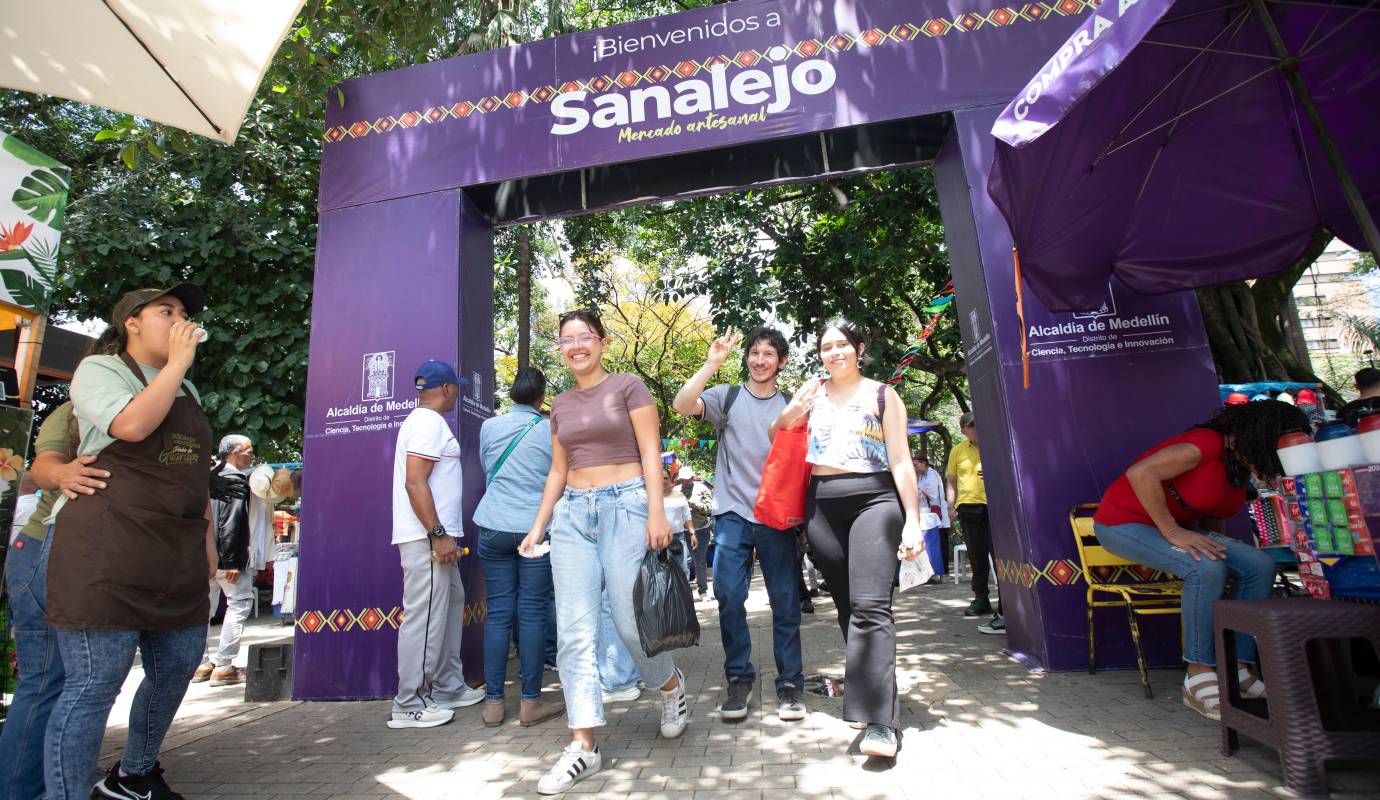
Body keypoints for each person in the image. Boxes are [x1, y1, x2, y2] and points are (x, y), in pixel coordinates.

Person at [44, 284, 215, 800]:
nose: (180, 320)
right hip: (107, 546)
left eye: (184, 313)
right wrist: (178, 364)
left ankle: (132, 776)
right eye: (167, 311)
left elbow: (191, 474)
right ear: (132, 323)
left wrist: (206, 540)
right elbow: (132, 425)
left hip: (173, 550)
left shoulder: (186, 390)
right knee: (95, 685)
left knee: (179, 666)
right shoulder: (101, 370)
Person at [522, 310, 690, 795]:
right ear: (559, 348)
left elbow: (650, 452)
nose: (576, 346)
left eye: (585, 337)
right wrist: (539, 526)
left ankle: (671, 687)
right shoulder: (560, 405)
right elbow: (558, 470)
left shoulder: (628, 386)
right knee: (573, 633)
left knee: (628, 623)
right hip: (573, 516)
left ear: (602, 342)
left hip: (627, 506)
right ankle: (584, 748)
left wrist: (657, 513)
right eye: (566, 339)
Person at [770, 319, 924, 758]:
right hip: (821, 505)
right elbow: (775, 439)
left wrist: (913, 519)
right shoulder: (810, 394)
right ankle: (869, 692)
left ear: (859, 348)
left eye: (842, 345)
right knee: (847, 607)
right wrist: (791, 411)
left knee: (871, 606)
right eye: (826, 346)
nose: (834, 352)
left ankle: (881, 723)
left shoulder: (882, 394)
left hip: (875, 500)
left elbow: (900, 460)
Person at [1094, 401, 1304, 720]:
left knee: (1259, 565)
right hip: (1122, 523)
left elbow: (1210, 516)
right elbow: (1141, 473)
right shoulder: (1205, 443)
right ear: (1260, 437)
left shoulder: (1239, 467)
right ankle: (1198, 672)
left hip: (1168, 528)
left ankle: (1237, 667)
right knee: (1204, 568)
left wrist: (1220, 550)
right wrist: (1174, 532)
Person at [672, 325, 806, 723]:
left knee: (785, 602)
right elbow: (682, 404)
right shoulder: (725, 396)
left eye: (769, 354)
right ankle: (738, 678)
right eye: (754, 353)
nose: (760, 360)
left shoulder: (791, 405)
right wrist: (712, 364)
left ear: (781, 362)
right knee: (729, 597)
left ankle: (791, 684)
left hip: (776, 516)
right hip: (731, 513)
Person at [0, 401, 109, 800]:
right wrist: (63, 473)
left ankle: (49, 781)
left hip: (69, 553)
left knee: (72, 681)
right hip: (45, 547)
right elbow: (42, 468)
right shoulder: (80, 405)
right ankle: (17, 790)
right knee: (47, 678)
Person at [388, 359, 486, 729]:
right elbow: (416, 482)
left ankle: (447, 685)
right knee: (425, 616)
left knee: (448, 607)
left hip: (434, 537)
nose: (457, 394)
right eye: (456, 388)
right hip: (427, 538)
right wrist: (438, 534)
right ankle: (409, 702)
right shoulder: (429, 423)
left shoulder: (425, 422)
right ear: (446, 390)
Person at [473, 366, 564, 728]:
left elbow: (487, 468)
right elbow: (558, 476)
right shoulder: (550, 430)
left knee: (498, 614)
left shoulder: (489, 427)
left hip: (494, 525)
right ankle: (530, 703)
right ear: (542, 397)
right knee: (532, 613)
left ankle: (493, 705)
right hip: (536, 531)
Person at [192, 435, 256, 688]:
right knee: (239, 603)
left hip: (204, 555)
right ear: (234, 453)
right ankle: (225, 665)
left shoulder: (207, 479)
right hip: (225, 558)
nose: (251, 455)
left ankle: (200, 662)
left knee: (203, 609)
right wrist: (230, 560)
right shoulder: (234, 481)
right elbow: (231, 523)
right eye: (248, 451)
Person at [947, 413, 1002, 633]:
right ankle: (981, 598)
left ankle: (1007, 602)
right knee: (976, 555)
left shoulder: (994, 446)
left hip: (995, 507)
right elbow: (951, 480)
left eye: (978, 424)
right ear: (963, 430)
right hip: (968, 507)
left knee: (1000, 555)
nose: (976, 429)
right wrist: (951, 506)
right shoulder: (958, 450)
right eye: (972, 426)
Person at [679, 467, 714, 601]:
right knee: (684, 561)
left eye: (688, 479)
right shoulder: (676, 491)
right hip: (683, 531)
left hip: (701, 530)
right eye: (683, 480)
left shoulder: (702, 489)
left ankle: (703, 591)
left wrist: (695, 505)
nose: (686, 482)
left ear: (692, 478)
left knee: (700, 562)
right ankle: (685, 593)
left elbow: (710, 509)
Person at [912, 454, 948, 581]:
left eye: (916, 465)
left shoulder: (931, 474)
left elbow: (930, 492)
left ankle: (940, 571)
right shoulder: (920, 476)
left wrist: (915, 492)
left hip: (934, 511)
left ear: (923, 463)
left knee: (937, 540)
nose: (915, 468)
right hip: (924, 512)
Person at [662, 469, 695, 578]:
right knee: (662, 573)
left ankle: (683, 594)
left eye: (665, 478)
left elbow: (687, 516)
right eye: (659, 478)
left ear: (670, 480)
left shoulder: (680, 496)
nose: (662, 480)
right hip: (659, 540)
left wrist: (692, 534)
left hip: (678, 539)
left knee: (682, 571)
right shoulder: (651, 497)